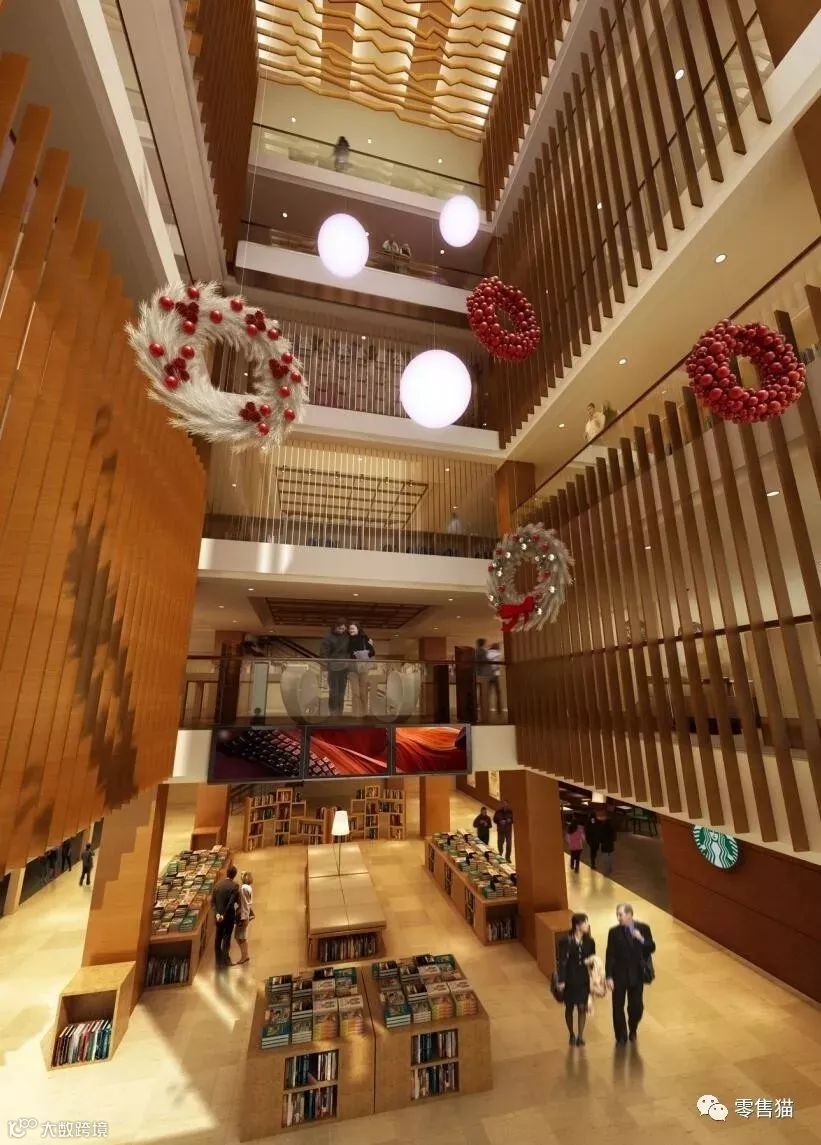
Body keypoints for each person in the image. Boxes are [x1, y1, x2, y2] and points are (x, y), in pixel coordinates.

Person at [605, 902, 656, 1045]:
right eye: (617, 915)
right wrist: (608, 976)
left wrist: (641, 938)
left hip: (636, 975)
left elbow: (651, 947)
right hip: (619, 975)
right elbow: (610, 955)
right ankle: (621, 1036)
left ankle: (633, 1028)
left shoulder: (643, 928)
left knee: (636, 1007)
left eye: (620, 915)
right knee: (617, 1006)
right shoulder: (613, 932)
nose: (618, 918)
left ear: (629, 914)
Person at [557, 913, 596, 1046]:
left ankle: (580, 1036)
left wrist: (591, 964)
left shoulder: (590, 941)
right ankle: (571, 1034)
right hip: (570, 979)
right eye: (585, 922)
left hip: (583, 979)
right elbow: (562, 962)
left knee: (581, 1007)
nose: (587, 925)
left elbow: (593, 959)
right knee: (569, 1008)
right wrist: (562, 980)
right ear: (578, 926)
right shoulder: (565, 941)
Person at [320, 619, 350, 717]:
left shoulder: (347, 636)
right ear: (335, 627)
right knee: (334, 692)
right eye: (340, 628)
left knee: (341, 693)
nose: (342, 630)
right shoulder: (328, 637)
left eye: (343, 628)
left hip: (344, 668)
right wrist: (328, 664)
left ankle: (340, 714)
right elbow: (323, 653)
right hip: (333, 668)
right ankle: (333, 714)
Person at [212, 865, 239, 967]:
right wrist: (224, 914)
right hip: (228, 916)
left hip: (218, 916)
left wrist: (217, 914)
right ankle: (226, 960)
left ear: (227, 873)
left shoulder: (217, 885)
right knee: (227, 937)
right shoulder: (235, 886)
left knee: (218, 937)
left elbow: (213, 902)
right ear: (234, 875)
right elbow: (231, 902)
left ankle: (218, 961)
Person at [347, 621, 375, 717]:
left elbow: (372, 652)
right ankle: (355, 714)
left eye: (353, 628)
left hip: (363, 668)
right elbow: (344, 653)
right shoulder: (346, 640)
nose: (351, 630)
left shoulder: (364, 638)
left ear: (358, 629)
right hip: (352, 669)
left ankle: (364, 713)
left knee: (363, 692)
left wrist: (363, 654)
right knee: (355, 693)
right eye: (350, 629)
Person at [234, 871, 254, 966]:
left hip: (243, 916)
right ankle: (245, 955)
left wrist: (243, 918)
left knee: (239, 937)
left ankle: (244, 956)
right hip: (245, 915)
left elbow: (244, 904)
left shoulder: (243, 889)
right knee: (242, 937)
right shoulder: (248, 888)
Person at [475, 638, 493, 723]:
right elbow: (483, 662)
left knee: (482, 695)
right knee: (484, 695)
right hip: (483, 675)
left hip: (481, 674)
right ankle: (485, 716)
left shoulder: (477, 651)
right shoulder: (481, 651)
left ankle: (482, 713)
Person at [486, 642, 502, 714]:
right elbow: (497, 665)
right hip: (495, 675)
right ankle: (499, 709)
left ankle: (484, 707)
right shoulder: (498, 653)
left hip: (488, 674)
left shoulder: (488, 653)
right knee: (497, 692)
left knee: (487, 692)